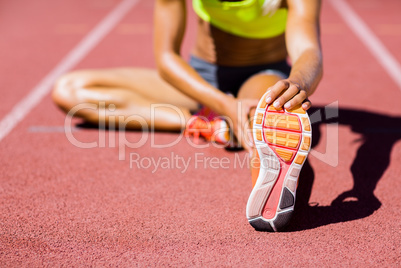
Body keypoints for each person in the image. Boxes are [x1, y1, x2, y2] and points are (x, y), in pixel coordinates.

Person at [52, 0, 323, 231]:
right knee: (70, 91)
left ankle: (271, 192)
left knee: (266, 119)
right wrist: (222, 104)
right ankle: (203, 123)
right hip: (200, 80)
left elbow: (308, 49)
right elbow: (166, 58)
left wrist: (297, 82)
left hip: (261, 76)